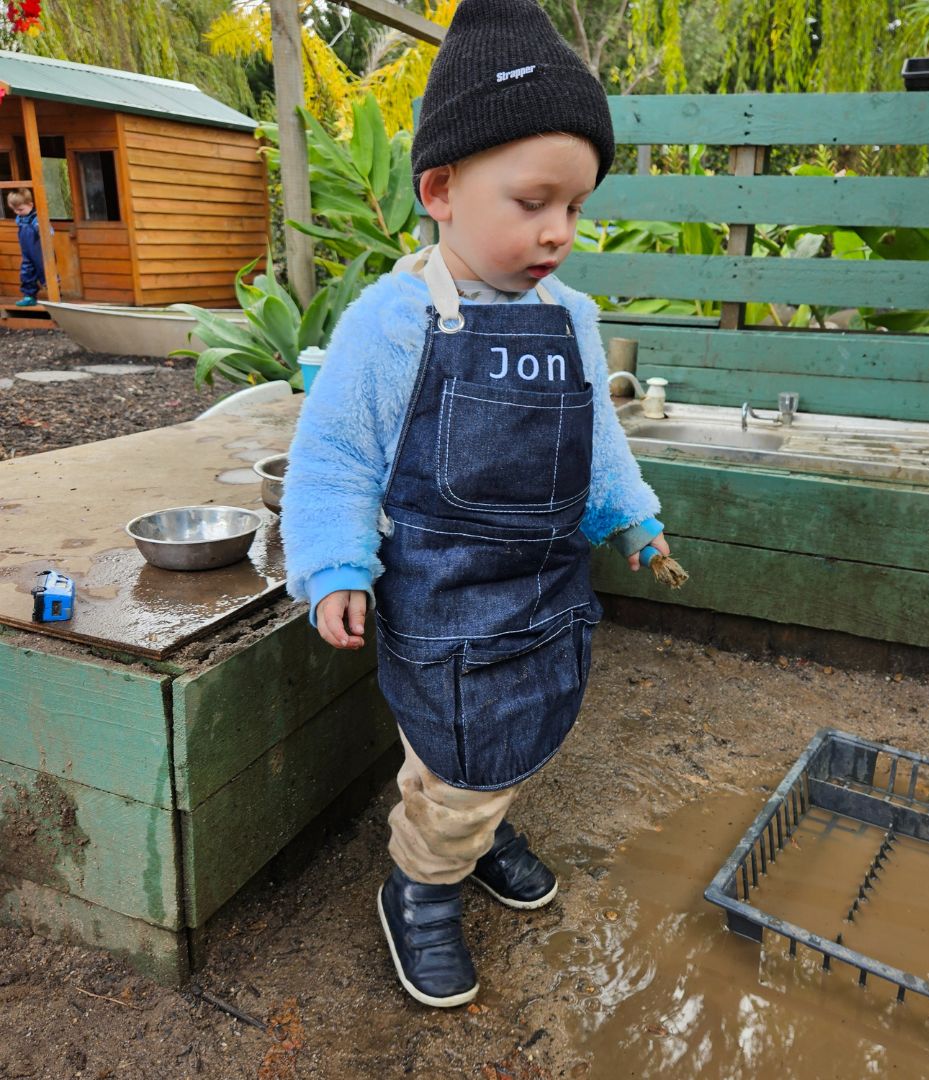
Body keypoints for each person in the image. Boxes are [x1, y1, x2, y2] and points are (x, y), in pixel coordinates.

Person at [281, 0, 672, 1009]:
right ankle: (421, 887)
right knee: (455, 761)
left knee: (516, 739)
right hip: (445, 604)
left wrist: (634, 514)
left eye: (576, 208)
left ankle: (476, 830)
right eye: (536, 200)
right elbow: (334, 457)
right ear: (441, 188)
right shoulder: (396, 319)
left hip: (543, 594)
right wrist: (332, 564)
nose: (559, 231)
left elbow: (597, 439)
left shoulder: (570, 317)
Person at [8, 188, 45, 307]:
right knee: (26, 272)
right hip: (27, 252)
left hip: (39, 251)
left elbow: (48, 231)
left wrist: (42, 230)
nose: (17, 212)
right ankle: (29, 296)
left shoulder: (36, 218)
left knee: (44, 270)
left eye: (20, 209)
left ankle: (56, 295)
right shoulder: (20, 218)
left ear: (30, 205)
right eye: (14, 210)